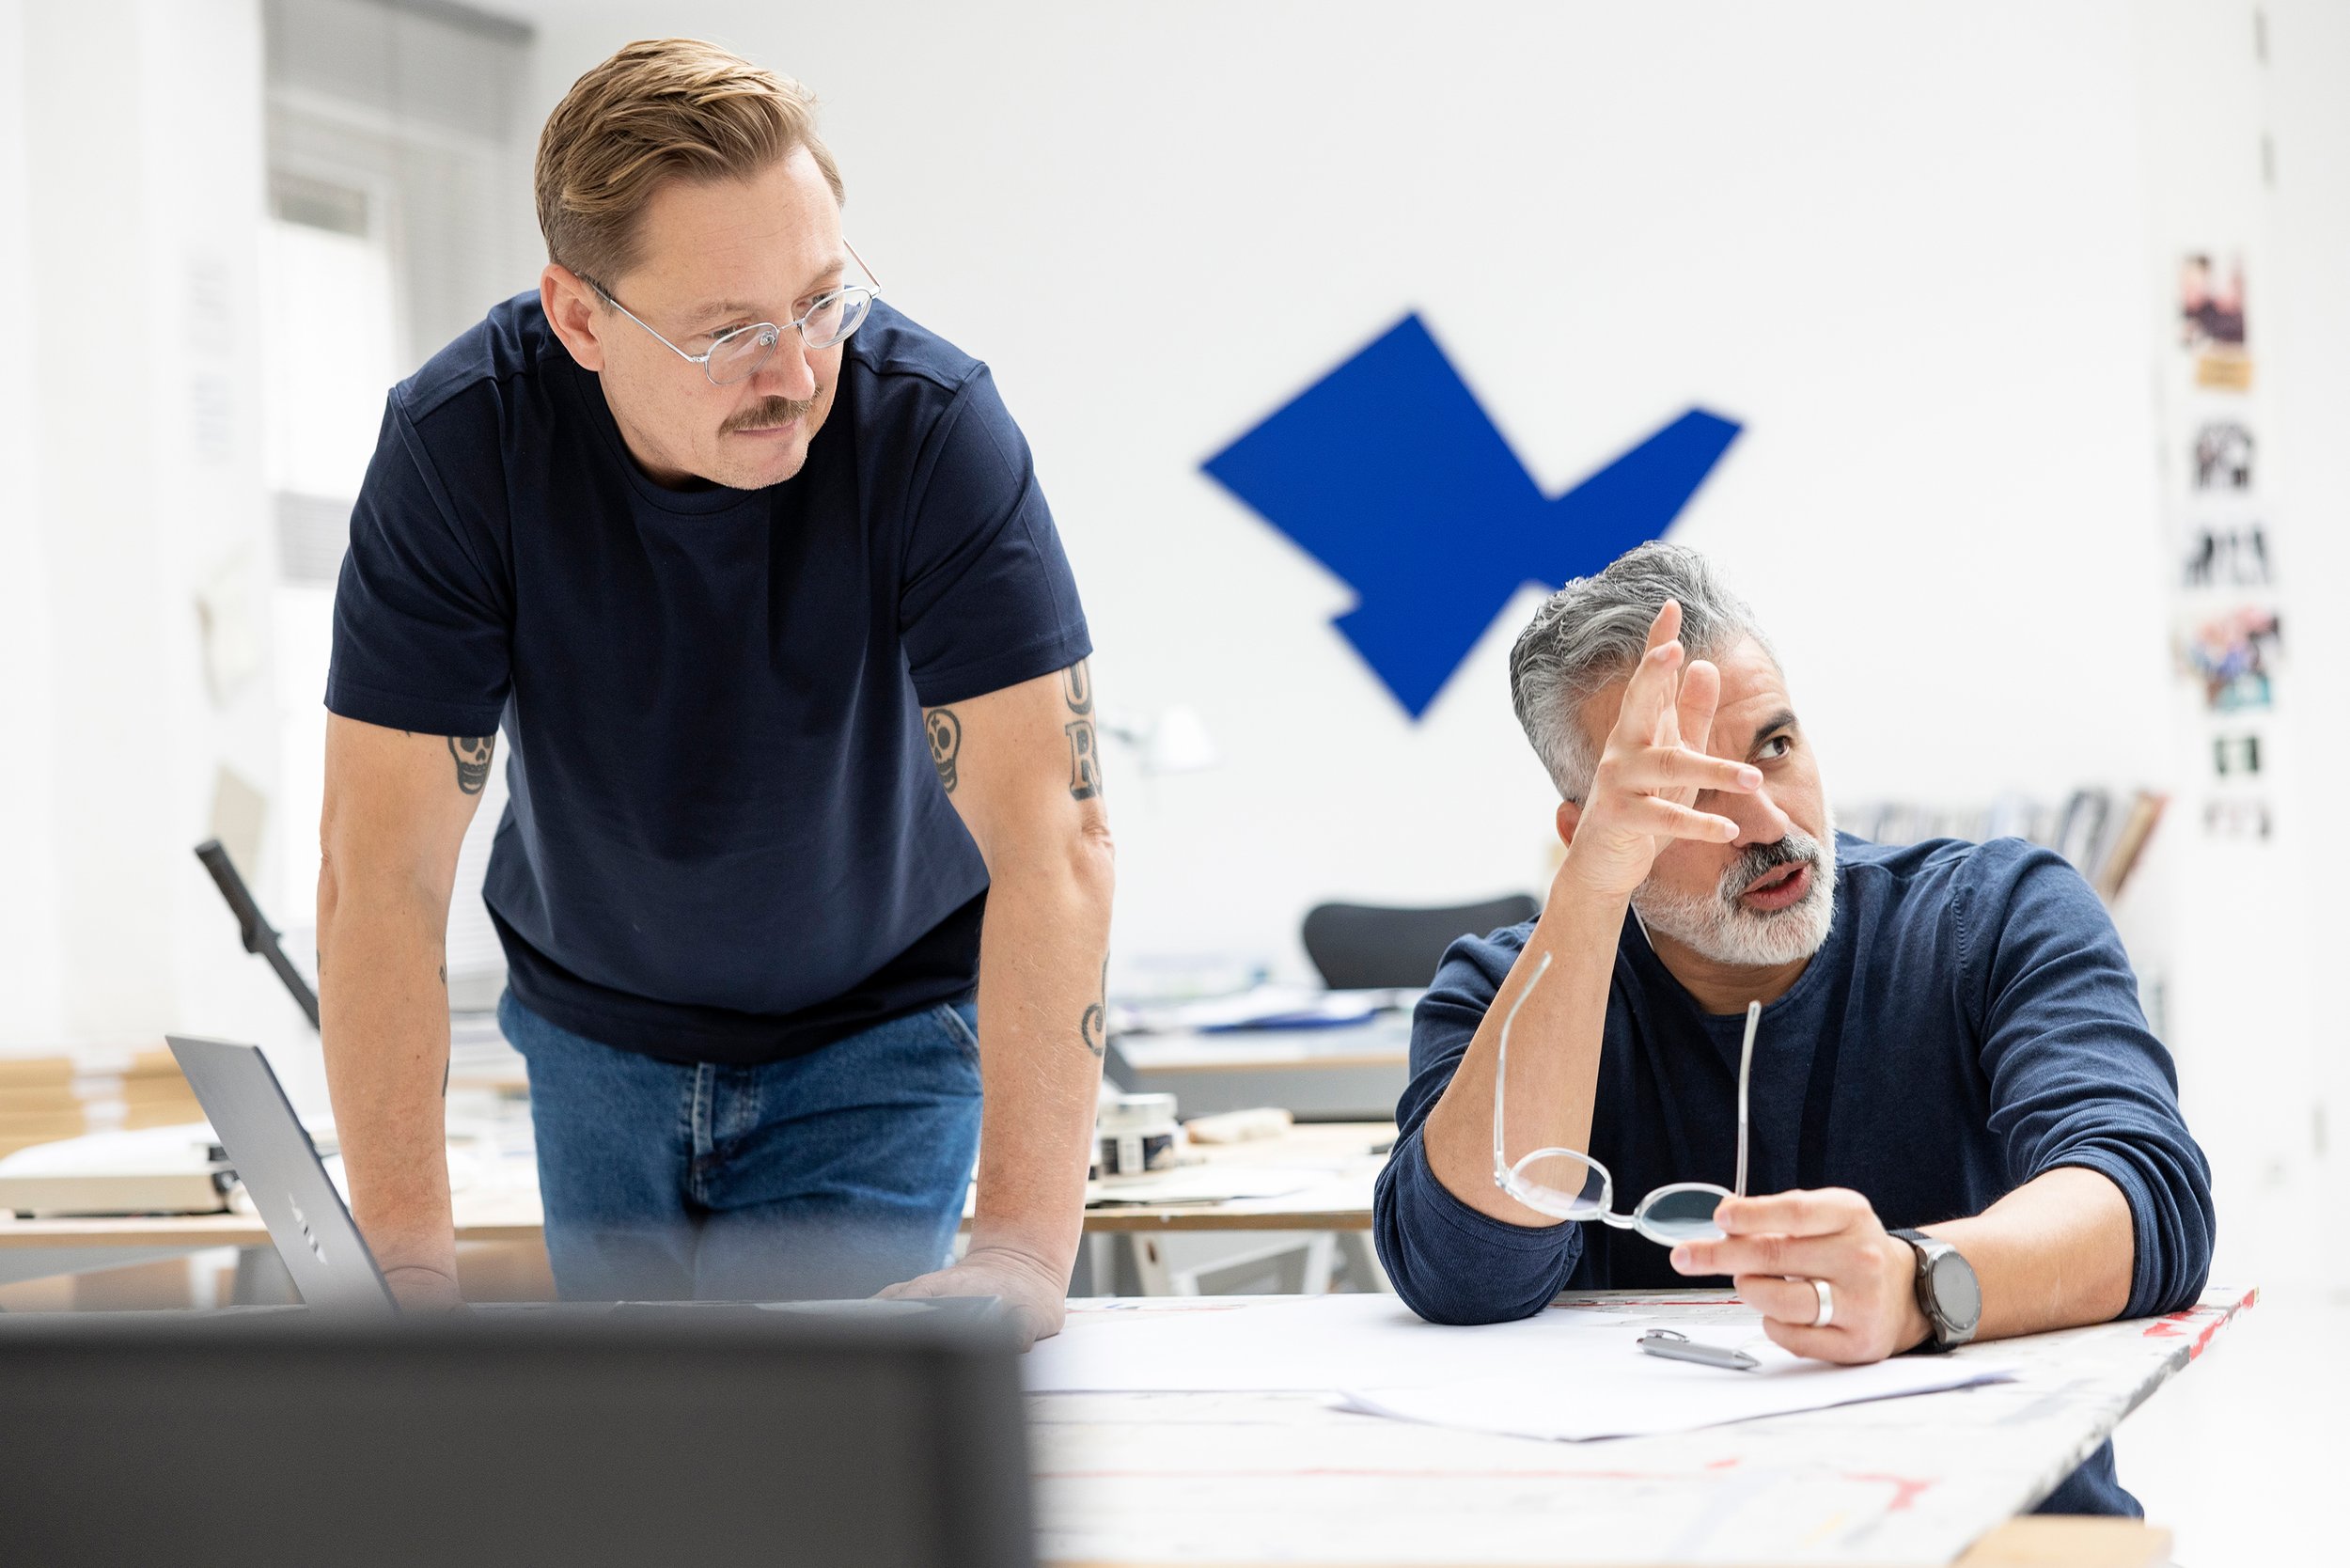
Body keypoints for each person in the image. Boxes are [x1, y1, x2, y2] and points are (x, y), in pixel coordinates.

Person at [316, 39, 1113, 1344]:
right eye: (731, 332)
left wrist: (1023, 1250)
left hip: (877, 1021)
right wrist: (404, 1281)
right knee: (640, 1435)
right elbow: (380, 870)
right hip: (593, 1025)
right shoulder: (460, 446)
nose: (793, 372)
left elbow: (1055, 842)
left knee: (816, 1433)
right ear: (580, 318)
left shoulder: (932, 430)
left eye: (821, 303)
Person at [1371, 542, 2212, 1513]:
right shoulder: (1501, 988)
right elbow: (1464, 1273)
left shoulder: (1995, 915)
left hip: (1983, 1525)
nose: (1768, 821)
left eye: (1773, 746)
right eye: (1686, 791)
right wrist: (1593, 892)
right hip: (1645, 1527)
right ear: (1586, 832)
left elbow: (2146, 1196)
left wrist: (1917, 1283)